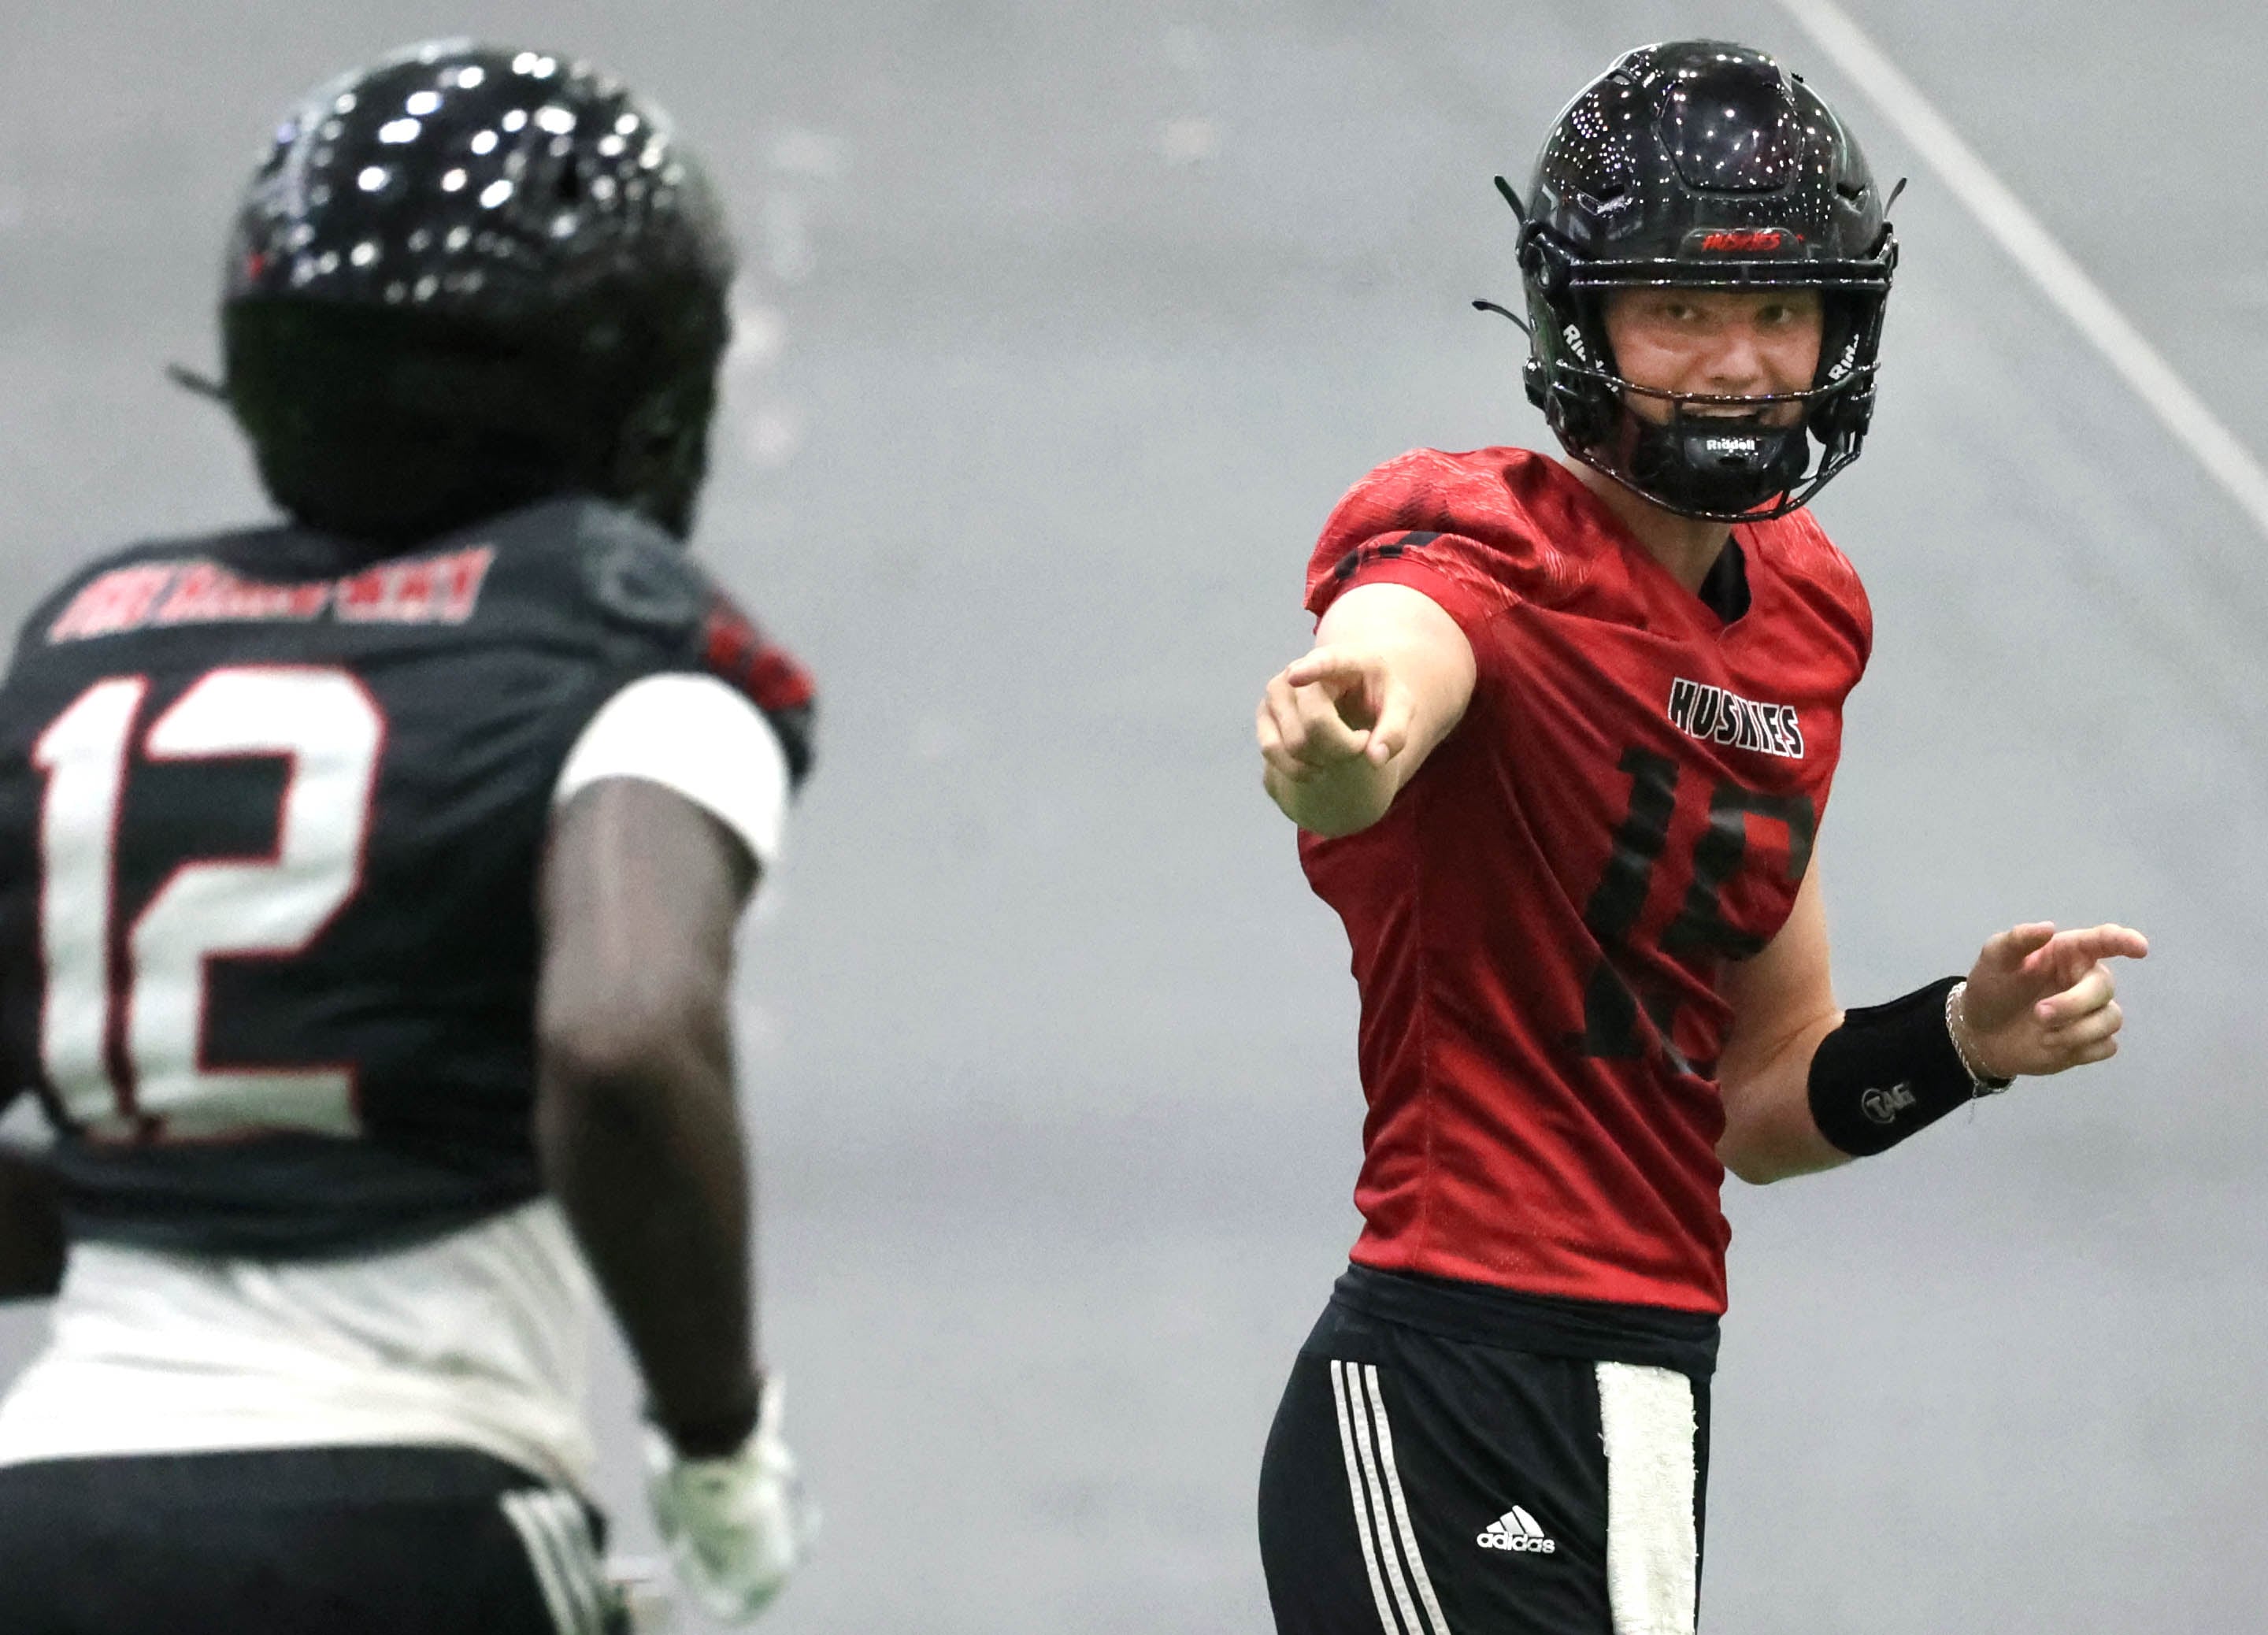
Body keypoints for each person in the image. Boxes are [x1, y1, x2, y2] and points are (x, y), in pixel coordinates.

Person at [1251, 40, 2146, 1635]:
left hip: (1652, 1381)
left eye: (1777, 308)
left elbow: (1756, 1094)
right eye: (1681, 307)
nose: (1737, 361)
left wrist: (1967, 1041)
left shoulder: (1808, 616)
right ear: (1581, 317)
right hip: (1455, 1366)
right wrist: (1345, 742)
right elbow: (1394, 672)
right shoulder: (1481, 530)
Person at [0, 40, 817, 1633]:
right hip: (408, 1509)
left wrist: (154, 1190)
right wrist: (717, 1441)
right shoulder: (625, 651)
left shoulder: (86, 653)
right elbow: (623, 1035)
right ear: (641, 384)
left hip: (47, 1510)